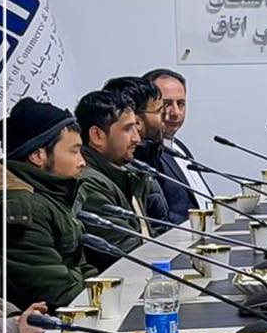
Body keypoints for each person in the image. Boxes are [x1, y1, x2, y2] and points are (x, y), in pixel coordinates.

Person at [0, 98, 96, 309]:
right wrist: (80, 277)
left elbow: (83, 269)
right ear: (37, 155)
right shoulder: (19, 207)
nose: (82, 162)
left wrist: (79, 276)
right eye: (74, 151)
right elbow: (58, 294)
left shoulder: (49, 195)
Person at [76, 90, 157, 269]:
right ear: (97, 135)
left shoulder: (129, 173)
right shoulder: (88, 183)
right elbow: (125, 250)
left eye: (136, 127)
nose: (137, 138)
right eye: (128, 129)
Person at [141, 67, 207, 224]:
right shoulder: (144, 153)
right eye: (166, 104)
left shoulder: (179, 146)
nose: (175, 112)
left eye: (181, 103)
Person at [102, 75, 170, 222]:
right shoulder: (119, 165)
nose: (166, 117)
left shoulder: (155, 153)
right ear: (136, 121)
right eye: (159, 111)